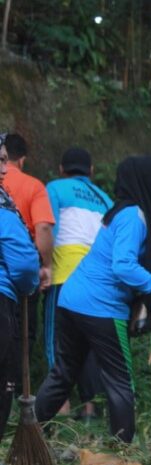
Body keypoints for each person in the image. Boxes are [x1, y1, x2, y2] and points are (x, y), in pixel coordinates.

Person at [35, 155, 151, 443]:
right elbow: (122, 266)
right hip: (101, 308)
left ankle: (30, 433)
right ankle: (122, 452)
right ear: (147, 181)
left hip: (71, 300)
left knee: (63, 374)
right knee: (121, 382)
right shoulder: (134, 217)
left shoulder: (134, 213)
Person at [44, 147, 112, 419]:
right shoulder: (105, 199)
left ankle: (61, 408)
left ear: (62, 169)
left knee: (57, 341)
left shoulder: (55, 188)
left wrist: (45, 265)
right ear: (91, 172)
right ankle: (91, 407)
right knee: (91, 345)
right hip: (97, 280)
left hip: (64, 275)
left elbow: (50, 227)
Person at [0, 134, 40, 442]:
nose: (4, 170)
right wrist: (28, 284)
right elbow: (26, 266)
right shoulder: (3, 210)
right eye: (0, 161)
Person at [1, 133, 55, 343]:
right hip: (16, 271)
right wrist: (46, 266)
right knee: (21, 334)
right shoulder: (32, 186)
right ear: (22, 159)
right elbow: (42, 228)